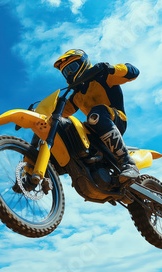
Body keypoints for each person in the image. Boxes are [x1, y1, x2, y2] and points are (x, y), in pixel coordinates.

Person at [53, 49, 140, 183]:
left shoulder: (103, 77)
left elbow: (133, 72)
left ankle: (128, 163)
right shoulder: (76, 96)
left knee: (95, 114)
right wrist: (39, 112)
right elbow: (60, 113)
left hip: (115, 119)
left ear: (83, 63)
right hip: (94, 128)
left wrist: (111, 68)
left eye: (72, 68)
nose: (69, 74)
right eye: (66, 72)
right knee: (65, 127)